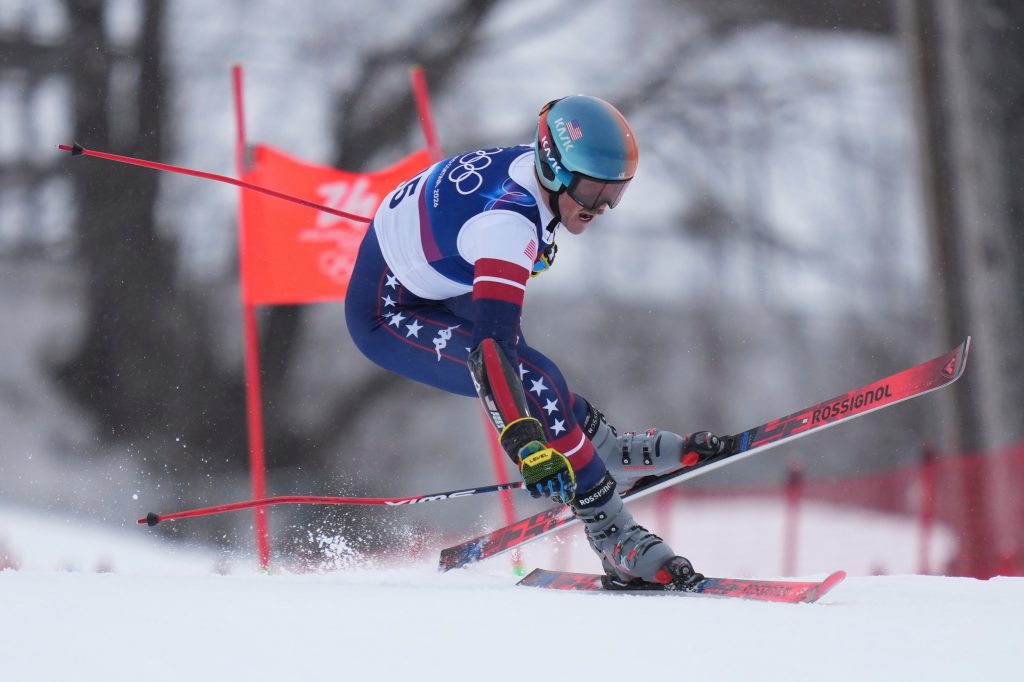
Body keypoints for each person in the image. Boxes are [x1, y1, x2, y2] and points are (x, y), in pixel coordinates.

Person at [345, 95, 728, 589]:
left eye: (615, 193)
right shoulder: (507, 227)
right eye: (592, 190)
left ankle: (604, 451)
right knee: (528, 378)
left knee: (533, 376)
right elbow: (491, 352)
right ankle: (610, 531)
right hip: (389, 312)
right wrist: (525, 443)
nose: (601, 207)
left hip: (438, 277)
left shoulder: (534, 180)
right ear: (553, 169)